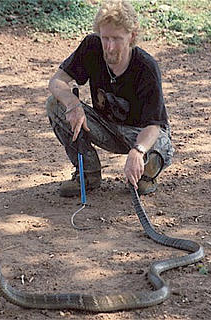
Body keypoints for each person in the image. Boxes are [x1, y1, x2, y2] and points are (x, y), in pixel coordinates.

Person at [46, 0, 173, 197]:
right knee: (55, 105)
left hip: (141, 134)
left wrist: (137, 151)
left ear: (131, 37)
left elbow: (153, 126)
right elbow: (57, 82)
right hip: (105, 126)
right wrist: (72, 104)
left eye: (117, 39)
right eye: (105, 38)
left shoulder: (146, 67)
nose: (110, 47)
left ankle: (145, 176)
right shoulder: (91, 47)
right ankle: (88, 174)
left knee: (157, 150)